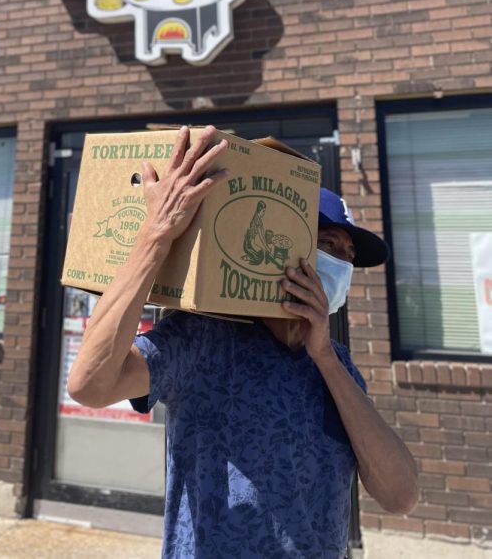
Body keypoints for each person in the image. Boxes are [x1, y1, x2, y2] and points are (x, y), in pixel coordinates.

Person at [68, 126, 418, 558]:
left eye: (348, 255)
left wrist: (325, 357)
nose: (342, 263)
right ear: (281, 245)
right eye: (328, 245)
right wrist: (156, 235)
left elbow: (400, 495)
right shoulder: (205, 339)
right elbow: (90, 384)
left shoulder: (335, 364)